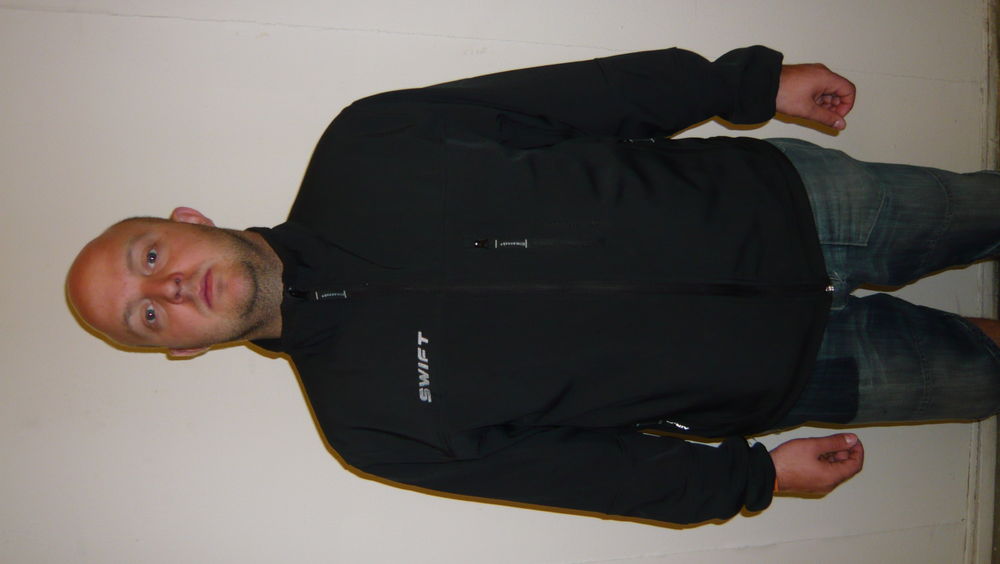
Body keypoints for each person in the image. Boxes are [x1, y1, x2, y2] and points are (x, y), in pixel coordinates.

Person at [65, 46, 1000, 526]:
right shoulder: (368, 428)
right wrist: (751, 479)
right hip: (791, 377)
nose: (173, 288)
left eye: (149, 257)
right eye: (147, 315)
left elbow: (583, 96)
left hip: (794, 203)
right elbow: (589, 475)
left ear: (183, 220)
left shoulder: (367, 145)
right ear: (179, 349)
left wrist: (746, 87)